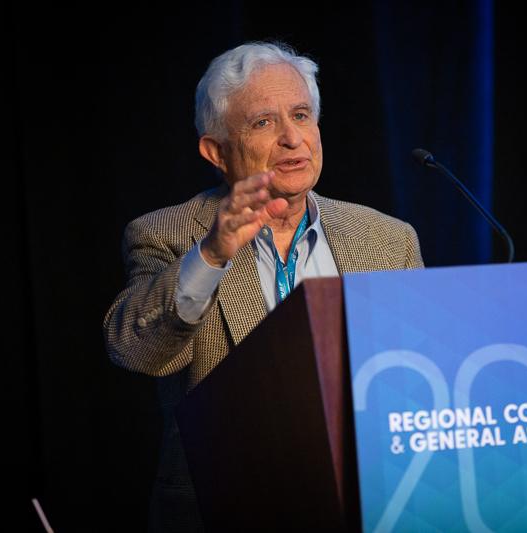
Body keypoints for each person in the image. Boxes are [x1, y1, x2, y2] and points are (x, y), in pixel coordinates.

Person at [103, 41, 423, 532]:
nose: (292, 138)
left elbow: (418, 377)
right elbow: (135, 349)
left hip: (371, 503)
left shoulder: (387, 239)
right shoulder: (166, 235)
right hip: (227, 510)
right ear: (216, 152)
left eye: (301, 115)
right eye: (263, 122)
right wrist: (212, 254)